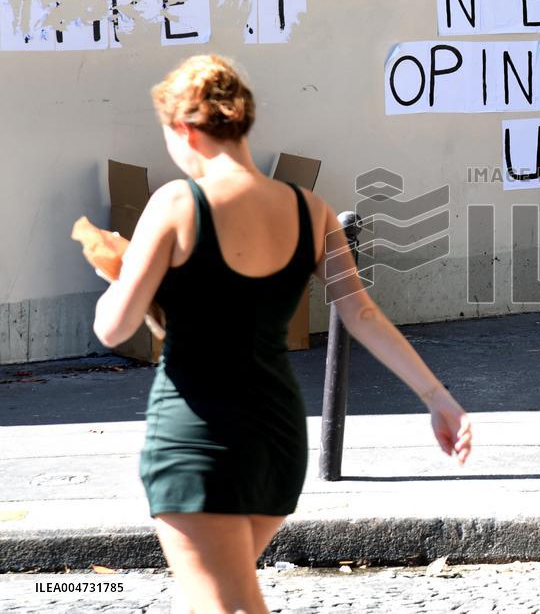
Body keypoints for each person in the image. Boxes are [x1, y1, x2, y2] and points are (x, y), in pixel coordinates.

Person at [92, 54, 473, 613]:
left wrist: (121, 274)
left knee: (228, 606)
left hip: (198, 436)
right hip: (277, 438)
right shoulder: (310, 209)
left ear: (184, 130)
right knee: (222, 598)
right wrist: (439, 399)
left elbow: (113, 327)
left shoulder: (175, 204)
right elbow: (362, 314)